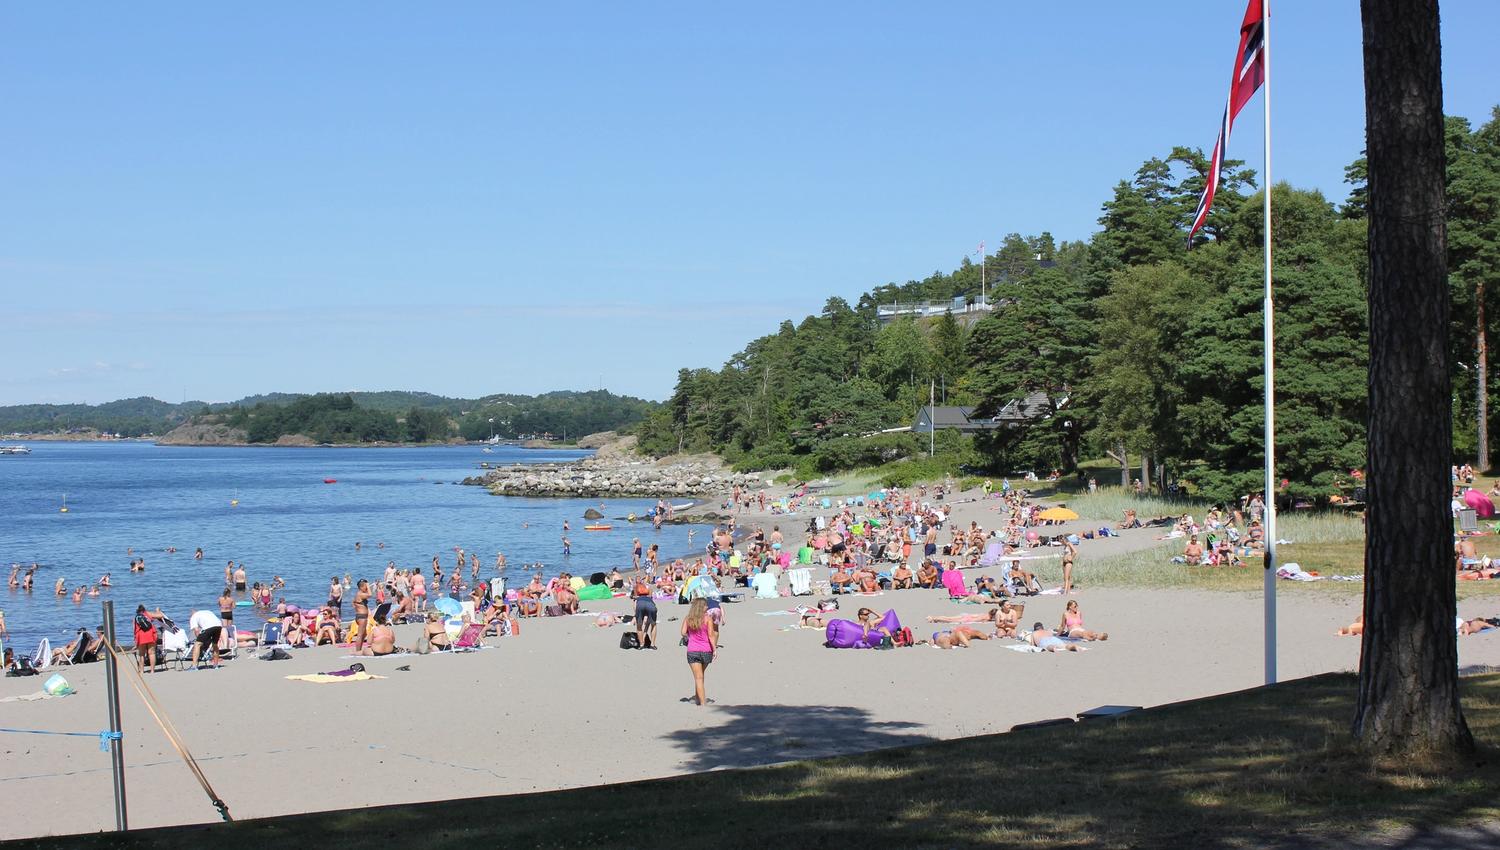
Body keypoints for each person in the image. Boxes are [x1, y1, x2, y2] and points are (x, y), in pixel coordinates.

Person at [681, 598, 717, 706]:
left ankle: (698, 699)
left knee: (698, 677)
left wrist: (690, 636)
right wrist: (715, 649)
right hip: (706, 650)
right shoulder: (708, 619)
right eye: (706, 605)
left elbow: (683, 632)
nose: (707, 607)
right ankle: (702, 702)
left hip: (692, 650)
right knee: (700, 676)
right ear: (701, 607)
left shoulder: (688, 618)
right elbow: (711, 635)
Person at [352, 579, 371, 652]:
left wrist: (356, 607)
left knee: (364, 634)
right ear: (361, 587)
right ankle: (357, 651)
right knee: (360, 635)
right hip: (361, 616)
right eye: (365, 587)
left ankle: (359, 648)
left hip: (360, 616)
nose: (366, 588)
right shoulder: (360, 594)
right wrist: (368, 586)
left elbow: (353, 601)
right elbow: (370, 595)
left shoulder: (359, 594)